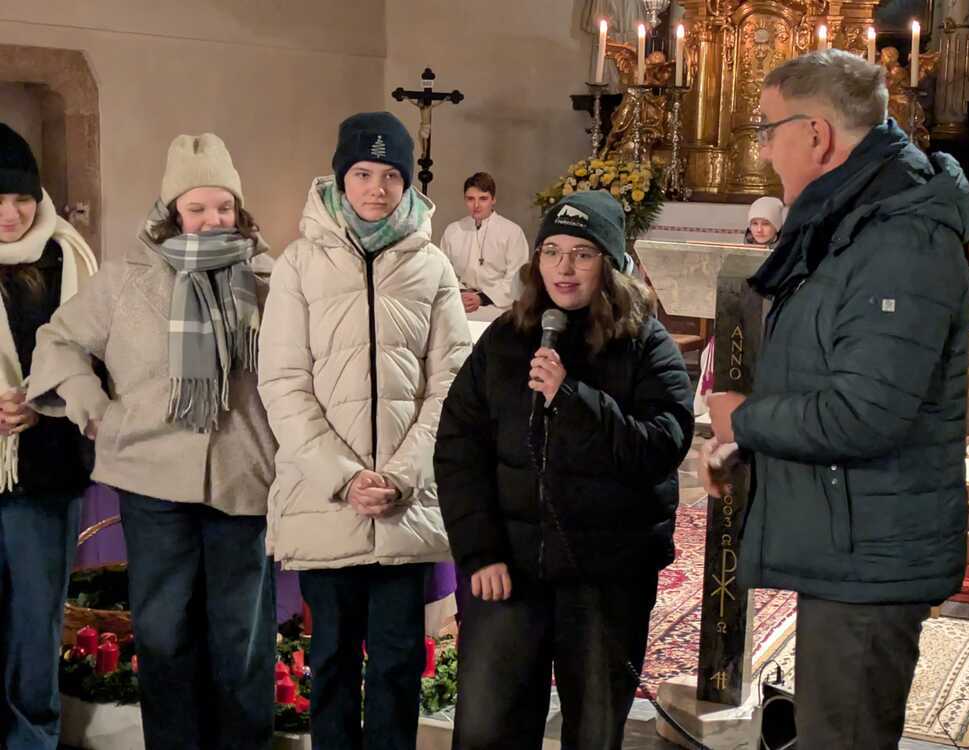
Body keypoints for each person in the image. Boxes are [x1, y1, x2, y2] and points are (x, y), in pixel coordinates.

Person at [701, 49, 969, 750]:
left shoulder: (900, 237)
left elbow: (866, 412)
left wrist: (745, 419)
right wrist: (747, 444)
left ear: (817, 134)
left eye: (768, 130)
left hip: (870, 558)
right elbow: (827, 371)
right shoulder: (855, 220)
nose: (765, 151)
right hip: (848, 542)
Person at [28, 133, 277, 750]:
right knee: (165, 637)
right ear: (171, 211)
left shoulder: (270, 279)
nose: (213, 219)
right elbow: (59, 341)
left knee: (240, 641)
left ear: (239, 209)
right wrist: (94, 411)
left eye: (224, 206)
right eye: (197, 207)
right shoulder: (124, 279)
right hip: (150, 479)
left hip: (243, 479)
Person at [435, 190, 694, 749]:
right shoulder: (505, 339)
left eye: (582, 253)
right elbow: (459, 448)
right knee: (487, 730)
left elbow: (662, 446)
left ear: (611, 264)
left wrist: (573, 401)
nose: (564, 268)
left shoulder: (646, 344)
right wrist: (479, 551)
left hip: (606, 576)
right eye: (551, 251)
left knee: (594, 732)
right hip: (509, 570)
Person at [258, 110, 470, 750]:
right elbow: (283, 382)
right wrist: (345, 477)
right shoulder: (299, 264)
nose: (377, 188)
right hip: (327, 498)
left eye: (390, 176)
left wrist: (403, 475)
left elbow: (452, 385)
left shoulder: (433, 266)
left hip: (405, 501)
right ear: (339, 178)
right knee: (331, 659)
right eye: (362, 173)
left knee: (400, 661)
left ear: (407, 183)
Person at [0, 123, 97, 750]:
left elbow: (100, 360)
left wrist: (44, 403)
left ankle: (32, 739)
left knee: (36, 622)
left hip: (46, 467)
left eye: (22, 199)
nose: (11, 214)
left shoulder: (71, 260)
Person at [439, 172, 529, 315]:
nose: (476, 205)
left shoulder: (512, 232)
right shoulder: (453, 230)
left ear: (493, 199)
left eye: (483, 199)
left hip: (498, 308)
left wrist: (481, 298)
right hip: (459, 304)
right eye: (470, 199)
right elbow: (443, 272)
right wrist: (460, 293)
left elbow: (516, 279)